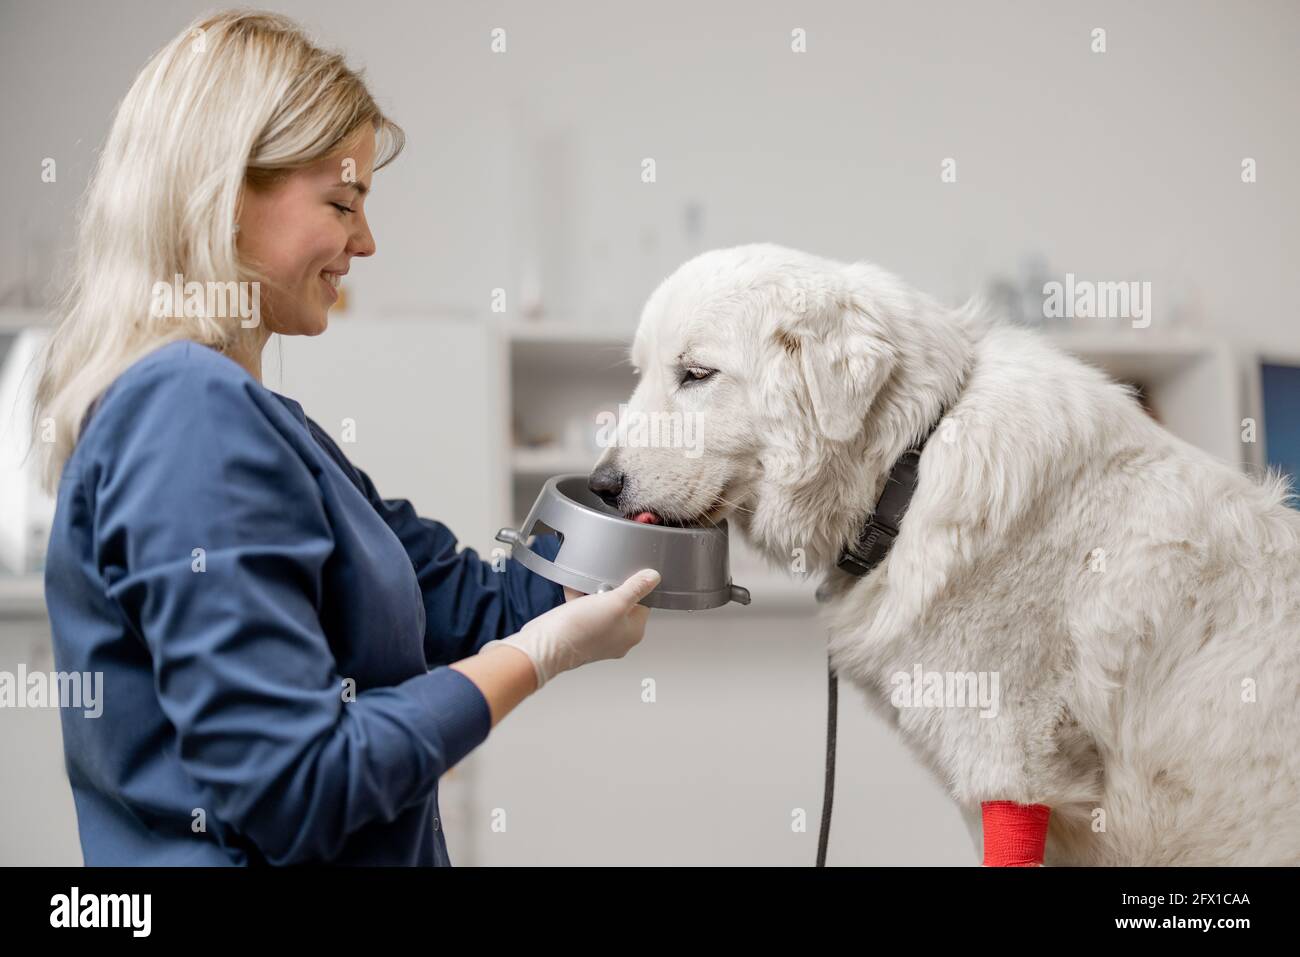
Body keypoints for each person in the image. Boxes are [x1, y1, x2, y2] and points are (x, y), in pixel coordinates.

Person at [31, 9, 658, 866]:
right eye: (341, 202)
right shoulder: (187, 414)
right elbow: (299, 786)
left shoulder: (266, 427)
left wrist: (655, 496)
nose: (365, 241)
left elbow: (477, 604)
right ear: (221, 191)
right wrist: (534, 661)